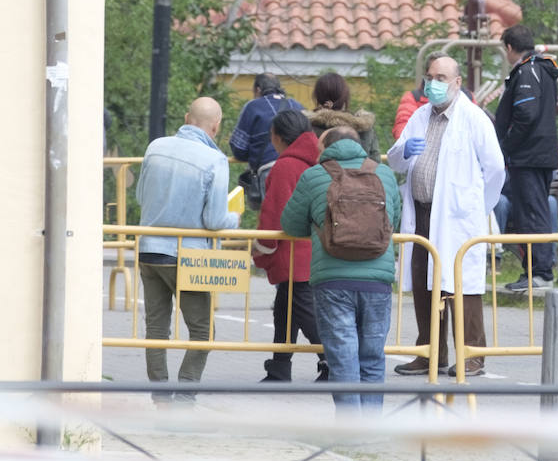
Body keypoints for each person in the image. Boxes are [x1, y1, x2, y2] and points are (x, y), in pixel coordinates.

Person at [389, 55, 507, 376]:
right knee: (424, 286)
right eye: (430, 76)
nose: (433, 83)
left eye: (441, 77)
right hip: (422, 216)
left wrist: (477, 207)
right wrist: (403, 152)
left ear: (457, 82)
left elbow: (495, 168)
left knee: (460, 286)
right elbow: (396, 159)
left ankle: (472, 355)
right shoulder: (419, 116)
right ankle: (430, 352)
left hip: (458, 219)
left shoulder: (474, 118)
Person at [280, 126, 402, 412]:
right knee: (372, 357)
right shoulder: (383, 174)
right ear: (358, 145)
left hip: (332, 281)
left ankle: (350, 432)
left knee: (343, 357)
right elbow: (393, 218)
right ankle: (371, 430)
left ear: (326, 149)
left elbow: (290, 224)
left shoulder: (314, 176)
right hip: (377, 281)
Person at [136, 97, 240, 404]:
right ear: (216, 126)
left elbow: (142, 196)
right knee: (202, 330)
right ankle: (184, 397)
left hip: (148, 249)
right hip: (188, 257)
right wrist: (235, 217)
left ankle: (160, 397)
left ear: (186, 117)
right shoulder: (214, 160)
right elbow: (214, 219)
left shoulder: (155, 147)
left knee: (156, 328)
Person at [252, 109, 327, 382]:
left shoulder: (285, 166)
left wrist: (261, 246)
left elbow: (274, 213)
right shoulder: (316, 160)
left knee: (305, 312)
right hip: (313, 249)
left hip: (293, 252)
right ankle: (280, 366)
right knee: (285, 309)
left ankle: (331, 360)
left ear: (277, 136)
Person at [493, 25, 558, 293]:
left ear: (509, 48)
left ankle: (540, 273)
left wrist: (507, 144)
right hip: (540, 154)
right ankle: (536, 270)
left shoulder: (526, 71)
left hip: (528, 156)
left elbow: (526, 113)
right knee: (537, 211)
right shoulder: (543, 69)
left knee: (532, 215)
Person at [229, 73, 304, 207]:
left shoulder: (253, 107)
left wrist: (254, 154)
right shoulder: (297, 106)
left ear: (258, 89)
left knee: (272, 218)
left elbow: (238, 148)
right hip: (301, 170)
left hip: (269, 170)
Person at [307, 72, 381, 162]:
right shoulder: (363, 126)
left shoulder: (306, 126)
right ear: (345, 96)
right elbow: (376, 161)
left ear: (317, 97)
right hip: (361, 174)